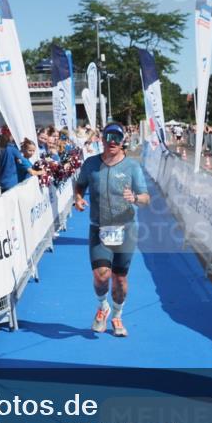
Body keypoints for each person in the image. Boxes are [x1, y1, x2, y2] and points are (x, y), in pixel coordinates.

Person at [73, 123, 149, 338]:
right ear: (102, 139)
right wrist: (78, 199)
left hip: (126, 230)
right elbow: (80, 186)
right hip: (99, 229)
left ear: (123, 139)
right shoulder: (91, 164)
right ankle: (102, 306)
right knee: (101, 275)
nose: (113, 141)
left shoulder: (132, 167)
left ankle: (117, 314)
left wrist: (135, 198)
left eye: (117, 137)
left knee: (120, 279)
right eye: (109, 137)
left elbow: (145, 198)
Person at [0, 127, 35, 192]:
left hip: (3, 182)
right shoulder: (13, 149)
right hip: (11, 184)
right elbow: (30, 171)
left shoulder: (3, 148)